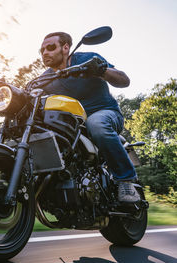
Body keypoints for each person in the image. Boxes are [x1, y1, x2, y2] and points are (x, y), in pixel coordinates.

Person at [39, 31, 140, 203]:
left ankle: (126, 181)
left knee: (96, 124)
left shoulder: (87, 59)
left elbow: (124, 80)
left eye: (50, 47)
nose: (45, 52)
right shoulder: (46, 78)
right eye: (42, 50)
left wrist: (101, 71)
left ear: (65, 48)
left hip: (105, 113)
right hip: (74, 125)